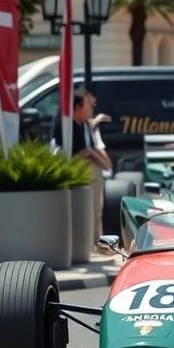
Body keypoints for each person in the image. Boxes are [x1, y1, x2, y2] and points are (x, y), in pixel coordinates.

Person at [52, 89, 112, 239]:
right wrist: (88, 154)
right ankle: (89, 242)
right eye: (90, 105)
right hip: (75, 176)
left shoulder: (85, 125)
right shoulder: (65, 125)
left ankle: (96, 241)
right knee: (86, 211)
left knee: (96, 210)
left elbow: (91, 150)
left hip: (90, 174)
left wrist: (98, 159)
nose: (93, 109)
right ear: (78, 106)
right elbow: (69, 155)